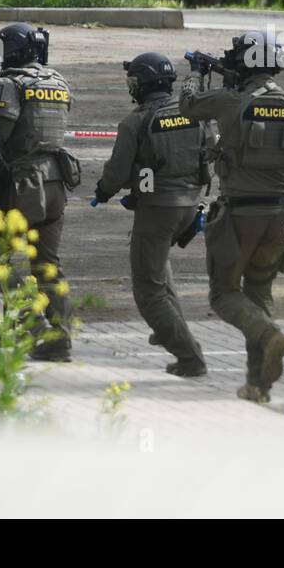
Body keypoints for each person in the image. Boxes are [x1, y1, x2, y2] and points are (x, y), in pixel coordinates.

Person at [178, 30, 284, 404]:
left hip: (239, 214)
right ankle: (258, 385)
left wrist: (195, 75)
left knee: (224, 295)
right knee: (258, 293)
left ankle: (270, 337)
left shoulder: (228, 98)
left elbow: (187, 107)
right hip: (279, 215)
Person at [95, 52, 213, 378]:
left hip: (157, 210)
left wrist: (102, 191)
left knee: (148, 291)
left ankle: (189, 356)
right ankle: (171, 331)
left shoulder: (135, 122)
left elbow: (116, 174)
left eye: (133, 81)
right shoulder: (193, 114)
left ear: (143, 84)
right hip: (190, 205)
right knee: (159, 270)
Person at [0, 23, 79, 361]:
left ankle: (25, 327)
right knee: (48, 266)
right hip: (57, 182)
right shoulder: (58, 82)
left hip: (24, 184)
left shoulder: (11, 86)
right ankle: (59, 339)